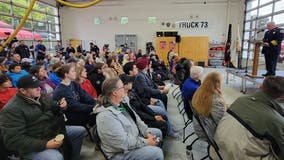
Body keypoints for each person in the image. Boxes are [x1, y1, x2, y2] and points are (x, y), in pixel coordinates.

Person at [0, 75, 85, 160]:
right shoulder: (11, 109)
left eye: (38, 85)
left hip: (52, 131)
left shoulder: (42, 96)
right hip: (34, 143)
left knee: (79, 131)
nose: (39, 88)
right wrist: (45, 144)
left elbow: (53, 105)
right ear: (23, 90)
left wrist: (61, 105)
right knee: (55, 158)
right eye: (34, 87)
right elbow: (13, 140)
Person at [213, 76, 284, 160]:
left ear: (261, 86)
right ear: (282, 96)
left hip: (217, 151)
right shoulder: (277, 121)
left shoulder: (241, 99)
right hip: (233, 156)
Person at [94, 77, 164, 160]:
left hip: (132, 136)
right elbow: (123, 143)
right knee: (157, 153)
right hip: (120, 152)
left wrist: (146, 133)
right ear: (115, 92)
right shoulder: (105, 116)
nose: (124, 88)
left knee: (157, 133)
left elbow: (136, 119)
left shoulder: (121, 103)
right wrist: (146, 142)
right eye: (122, 87)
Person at [191, 72, 226, 141]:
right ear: (217, 83)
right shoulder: (216, 100)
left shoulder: (200, 91)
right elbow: (221, 122)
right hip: (208, 132)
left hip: (200, 126)